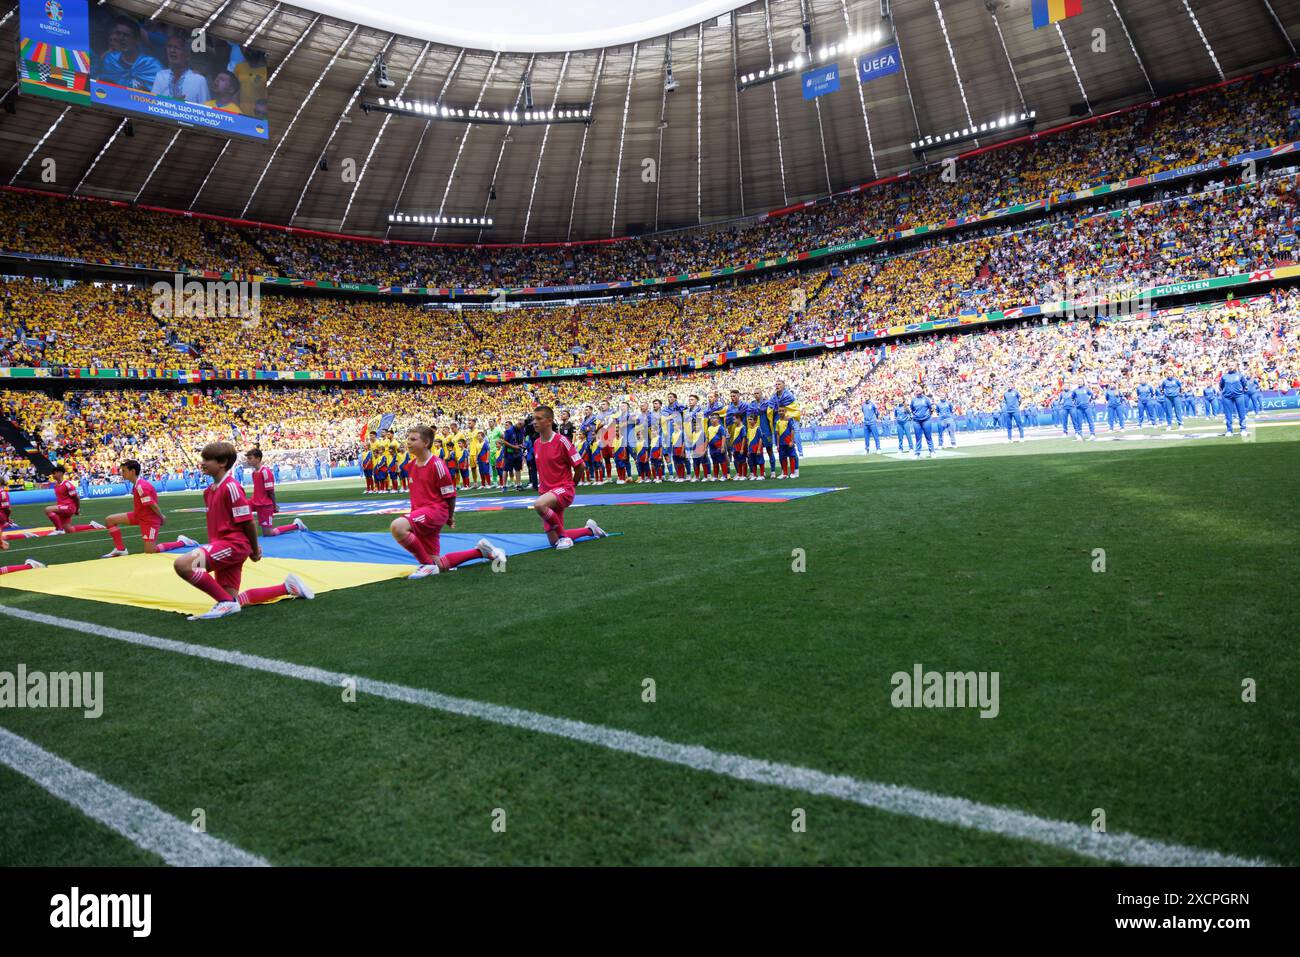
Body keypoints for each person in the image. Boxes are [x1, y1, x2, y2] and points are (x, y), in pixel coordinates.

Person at [172, 442, 313, 621]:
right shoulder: (208, 492)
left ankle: (225, 602)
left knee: (183, 565)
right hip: (223, 547)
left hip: (233, 546)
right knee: (233, 599)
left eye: (207, 459)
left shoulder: (231, 487)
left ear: (222, 462)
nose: (203, 463)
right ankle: (286, 587)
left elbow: (248, 522)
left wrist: (253, 549)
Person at [389, 425, 503, 579]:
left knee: (398, 527)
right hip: (421, 514)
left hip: (435, 512)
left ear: (426, 443)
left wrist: (449, 516)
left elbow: (450, 494)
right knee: (438, 563)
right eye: (408, 439)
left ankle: (427, 565)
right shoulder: (411, 466)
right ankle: (482, 551)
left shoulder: (437, 465)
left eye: (413, 439)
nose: (408, 442)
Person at [529, 405, 608, 550]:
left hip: (562, 490)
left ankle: (565, 538)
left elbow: (580, 466)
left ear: (549, 421)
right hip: (547, 494)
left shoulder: (561, 441)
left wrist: (572, 485)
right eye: (534, 418)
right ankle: (590, 530)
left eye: (539, 418)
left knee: (539, 505)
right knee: (553, 541)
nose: (534, 422)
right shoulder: (536, 443)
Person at [101, 459, 199, 557]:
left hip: (149, 520)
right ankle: (120, 549)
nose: (122, 473)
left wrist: (161, 517)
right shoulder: (137, 485)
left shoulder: (141, 486)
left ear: (133, 471)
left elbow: (152, 504)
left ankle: (182, 542)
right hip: (138, 515)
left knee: (150, 550)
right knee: (110, 520)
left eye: (124, 471)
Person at [245, 449, 306, 538]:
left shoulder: (265, 472)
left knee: (268, 534)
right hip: (255, 501)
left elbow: (270, 491)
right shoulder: (254, 473)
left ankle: (296, 525)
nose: (248, 461)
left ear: (258, 459)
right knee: (239, 510)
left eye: (250, 458)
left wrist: (274, 505)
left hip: (264, 504)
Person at [96, 16, 162, 91]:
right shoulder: (109, 59)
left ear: (137, 40)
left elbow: (159, 95)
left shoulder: (152, 65)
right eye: (118, 34)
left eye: (126, 35)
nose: (121, 38)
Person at [43, 466, 102, 535]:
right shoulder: (56, 486)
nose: (53, 475)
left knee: (48, 509)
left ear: (60, 473)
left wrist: (77, 509)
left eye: (54, 473)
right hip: (62, 508)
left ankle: (59, 529)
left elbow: (76, 498)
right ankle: (92, 526)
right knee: (69, 530)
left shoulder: (67, 485)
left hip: (69, 507)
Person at [151, 35, 210, 103]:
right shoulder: (161, 75)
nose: (172, 50)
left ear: (188, 55)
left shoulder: (199, 80)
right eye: (169, 46)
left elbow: (205, 111)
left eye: (177, 48)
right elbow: (153, 104)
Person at [1218, 362, 1250, 437]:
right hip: (1227, 397)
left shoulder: (1240, 375)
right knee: (1228, 414)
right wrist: (1226, 391)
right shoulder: (1224, 376)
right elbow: (1221, 386)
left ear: (1235, 366)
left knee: (1241, 413)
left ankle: (1243, 429)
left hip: (1238, 395)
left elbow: (1245, 384)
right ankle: (1229, 430)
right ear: (1227, 367)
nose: (1230, 366)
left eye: (1232, 365)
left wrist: (1244, 388)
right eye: (1229, 365)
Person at [909, 391, 935, 459]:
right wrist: (915, 415)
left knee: (928, 436)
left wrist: (928, 415)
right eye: (916, 390)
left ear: (921, 391)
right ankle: (917, 453)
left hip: (926, 420)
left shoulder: (926, 399)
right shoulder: (913, 400)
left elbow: (931, 408)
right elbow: (911, 409)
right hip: (916, 421)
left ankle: (932, 451)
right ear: (915, 392)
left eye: (919, 389)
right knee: (918, 437)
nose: (918, 391)